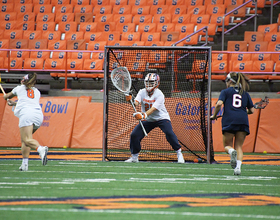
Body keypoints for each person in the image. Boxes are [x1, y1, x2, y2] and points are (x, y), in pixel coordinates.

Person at [125, 73, 185, 163]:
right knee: (134, 135)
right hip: (148, 119)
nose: (149, 84)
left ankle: (179, 153)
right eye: (147, 82)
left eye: (151, 82)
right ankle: (134, 157)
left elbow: (153, 109)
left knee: (169, 133)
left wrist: (143, 115)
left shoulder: (159, 94)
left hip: (161, 118)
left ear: (157, 83)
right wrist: (130, 100)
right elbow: (136, 103)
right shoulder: (142, 92)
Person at [210, 72, 254, 175]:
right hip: (243, 120)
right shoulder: (245, 93)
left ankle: (231, 152)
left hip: (229, 119)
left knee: (227, 145)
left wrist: (214, 115)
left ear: (230, 81)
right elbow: (251, 110)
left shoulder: (225, 92)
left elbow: (219, 104)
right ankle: (238, 168)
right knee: (239, 146)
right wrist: (242, 112)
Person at [3, 73, 48, 171]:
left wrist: (6, 98)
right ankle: (24, 164)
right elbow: (27, 101)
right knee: (25, 141)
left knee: (27, 140)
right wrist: (14, 103)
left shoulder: (18, 88)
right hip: (38, 115)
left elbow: (6, 96)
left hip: (26, 115)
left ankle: (40, 149)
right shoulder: (37, 91)